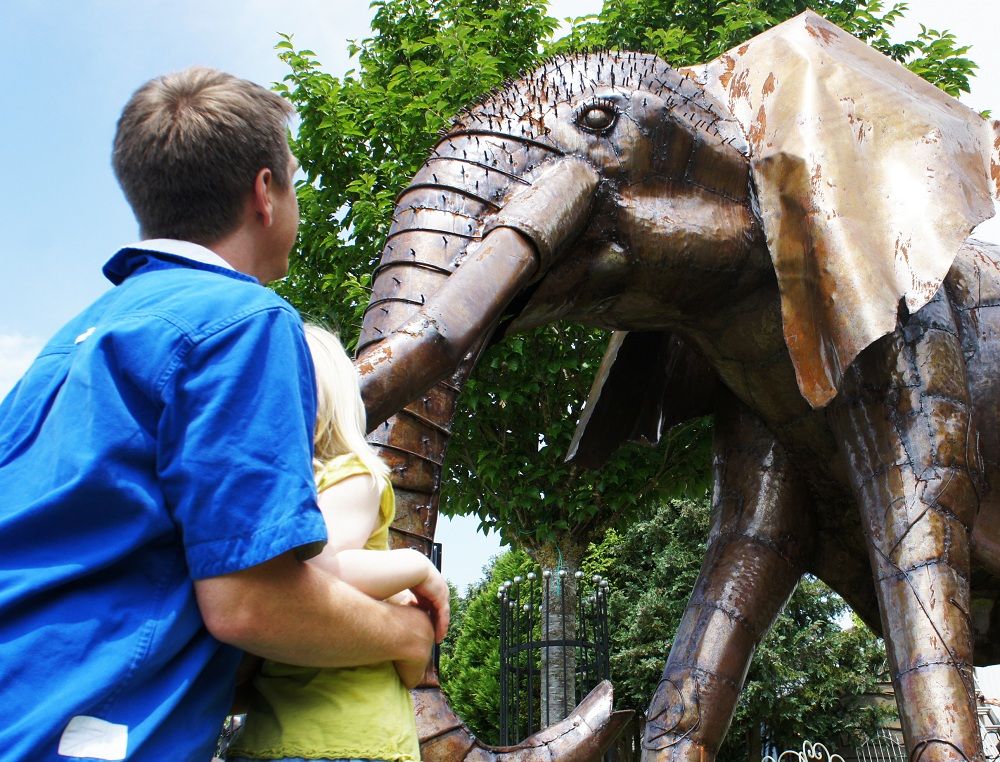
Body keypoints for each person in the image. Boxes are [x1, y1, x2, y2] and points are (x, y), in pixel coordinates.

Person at [0, 67, 438, 762]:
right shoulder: (244, 322)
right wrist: (407, 635)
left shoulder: (72, 342)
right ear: (265, 193)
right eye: (293, 181)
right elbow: (250, 604)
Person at [229, 325, 450, 762]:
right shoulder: (345, 476)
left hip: (285, 733)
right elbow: (318, 570)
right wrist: (416, 568)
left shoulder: (287, 493)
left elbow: (309, 575)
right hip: (343, 735)